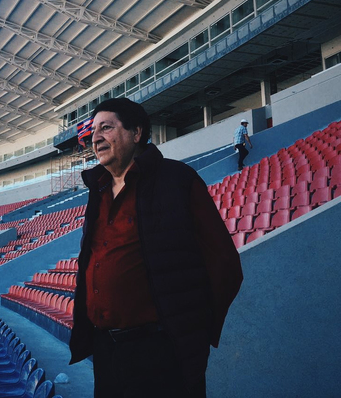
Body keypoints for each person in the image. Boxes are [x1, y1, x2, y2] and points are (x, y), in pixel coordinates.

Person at [69, 98, 243, 397]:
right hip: (106, 351)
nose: (95, 137)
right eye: (93, 130)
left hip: (161, 351)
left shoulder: (178, 180)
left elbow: (224, 264)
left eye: (106, 128)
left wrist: (191, 334)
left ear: (136, 133)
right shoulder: (97, 189)